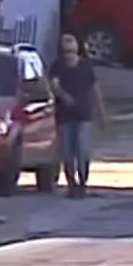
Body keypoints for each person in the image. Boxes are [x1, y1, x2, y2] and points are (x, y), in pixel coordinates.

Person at [48, 33, 106, 199]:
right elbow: (54, 85)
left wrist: (102, 112)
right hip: (65, 117)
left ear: (77, 51)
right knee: (67, 153)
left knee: (83, 151)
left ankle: (82, 183)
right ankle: (71, 184)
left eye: (71, 51)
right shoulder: (57, 67)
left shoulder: (86, 67)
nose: (68, 55)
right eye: (65, 51)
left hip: (84, 116)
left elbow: (95, 89)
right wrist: (63, 95)